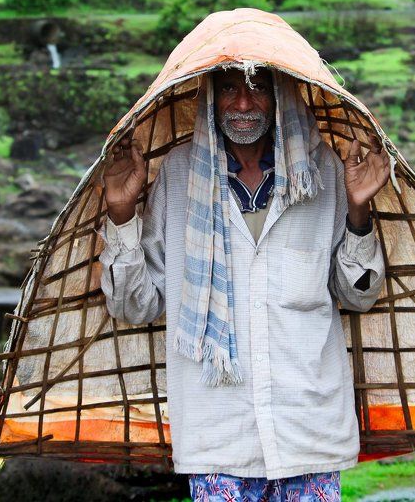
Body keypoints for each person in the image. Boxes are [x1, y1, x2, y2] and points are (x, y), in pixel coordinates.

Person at [99, 63, 391, 502]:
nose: (241, 103)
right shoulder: (178, 175)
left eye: (257, 88)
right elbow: (135, 306)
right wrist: (122, 213)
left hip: (307, 430)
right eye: (229, 88)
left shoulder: (324, 172)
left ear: (281, 96)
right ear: (210, 98)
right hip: (218, 437)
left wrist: (358, 209)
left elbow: (358, 295)